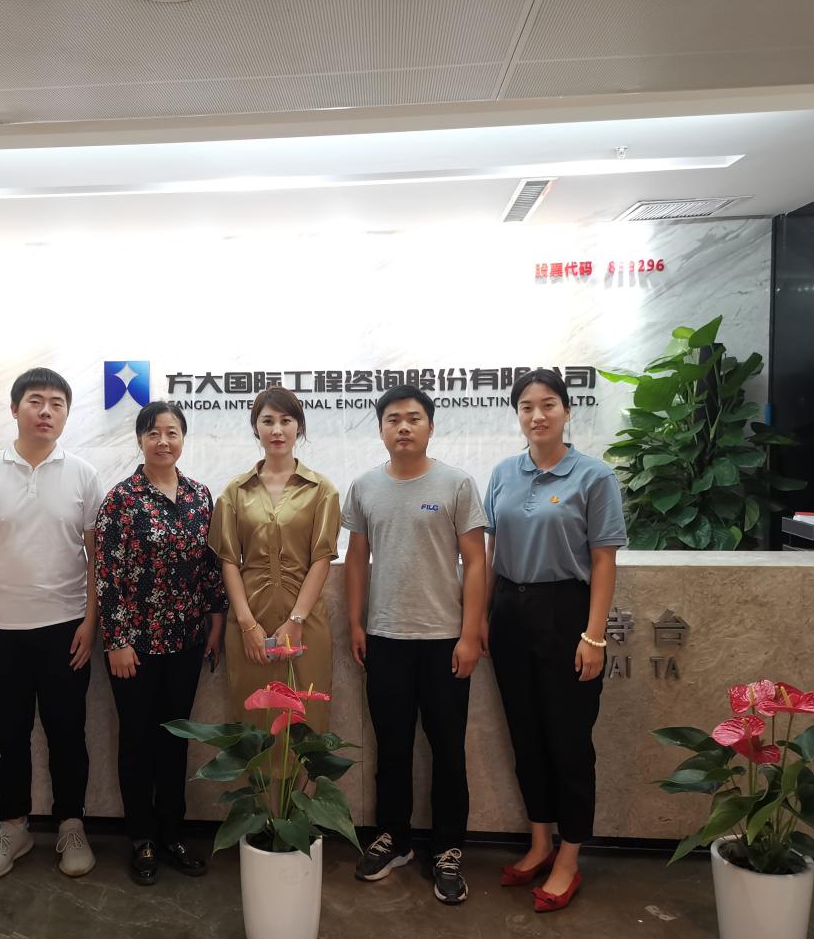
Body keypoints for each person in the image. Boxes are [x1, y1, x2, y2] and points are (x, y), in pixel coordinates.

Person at [0, 368, 103, 882]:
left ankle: (71, 826)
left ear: (66, 414)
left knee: (67, 734)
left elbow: (99, 559)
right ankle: (12, 828)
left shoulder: (83, 475)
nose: (46, 411)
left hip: (66, 630)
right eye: (36, 401)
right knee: (7, 736)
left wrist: (91, 623)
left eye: (57, 403)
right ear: (14, 409)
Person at [483, 368, 626, 913]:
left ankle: (569, 855)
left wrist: (594, 635)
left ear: (567, 410)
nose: (537, 415)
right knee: (525, 733)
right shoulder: (504, 472)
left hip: (566, 612)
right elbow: (492, 553)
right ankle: (540, 841)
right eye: (526, 406)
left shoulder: (593, 476)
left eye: (548, 404)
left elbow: (604, 560)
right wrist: (483, 617)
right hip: (509, 611)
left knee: (569, 740)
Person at [343, 385, 487, 906]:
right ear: (381, 428)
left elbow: (477, 561)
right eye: (393, 419)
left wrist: (470, 633)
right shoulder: (364, 487)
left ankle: (447, 847)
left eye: (413, 418)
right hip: (385, 638)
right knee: (392, 746)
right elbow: (356, 559)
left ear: (430, 426)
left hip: (445, 640)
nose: (403, 427)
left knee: (448, 749)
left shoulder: (456, 483)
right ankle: (394, 837)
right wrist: (356, 622)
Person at [95, 401, 228, 887]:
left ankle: (173, 833)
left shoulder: (199, 496)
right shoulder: (121, 499)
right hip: (134, 648)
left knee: (175, 741)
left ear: (183, 438)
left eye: (172, 432)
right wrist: (117, 640)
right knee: (137, 741)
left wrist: (216, 622)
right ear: (140, 440)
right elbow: (106, 574)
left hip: (187, 642)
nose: (163, 441)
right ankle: (142, 838)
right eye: (153, 433)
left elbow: (210, 567)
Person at [210, 386, 340, 734]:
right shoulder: (235, 492)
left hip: (306, 624)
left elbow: (322, 558)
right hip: (249, 622)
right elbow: (228, 561)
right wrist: (247, 625)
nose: (277, 430)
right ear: (256, 428)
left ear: (300, 427)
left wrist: (296, 620)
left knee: (306, 724)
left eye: (286, 421)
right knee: (256, 727)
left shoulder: (321, 490)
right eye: (267, 421)